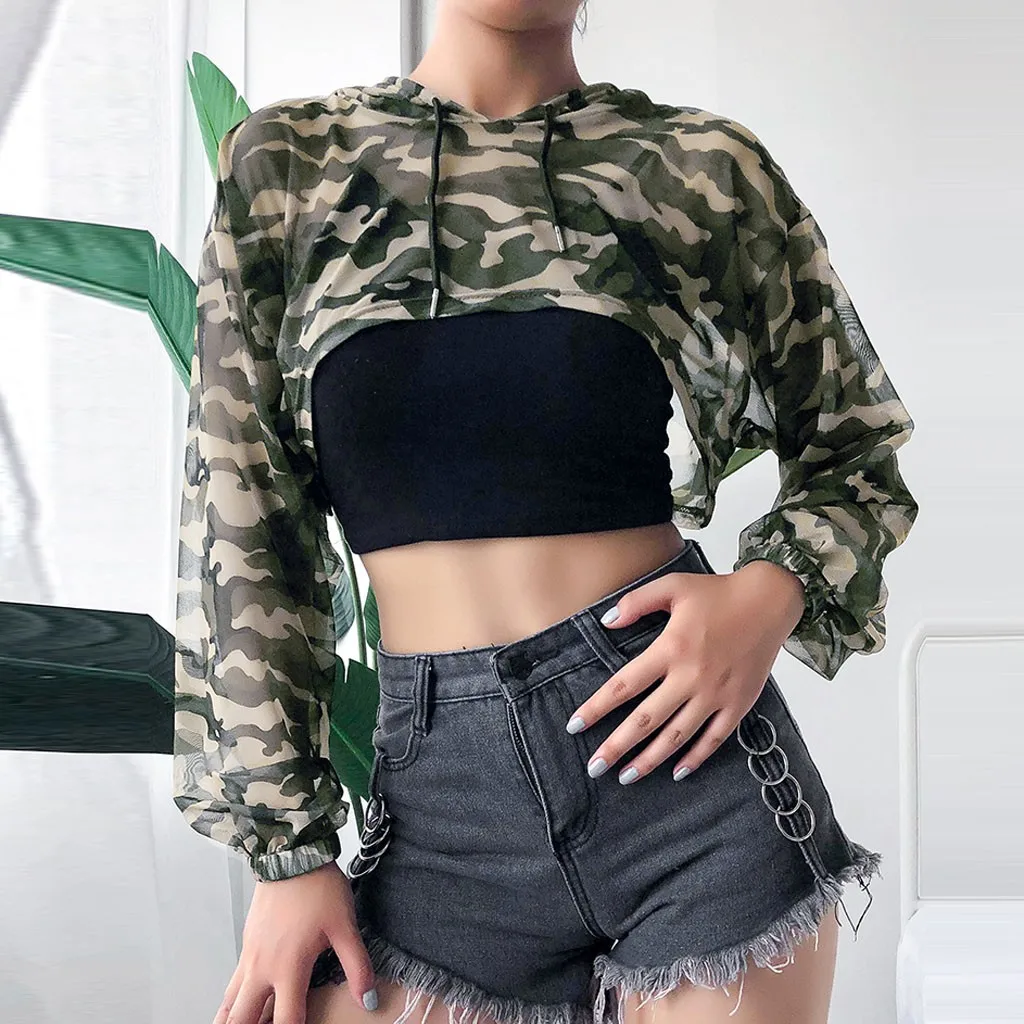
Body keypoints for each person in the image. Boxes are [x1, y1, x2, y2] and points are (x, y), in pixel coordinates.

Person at [172, 2, 919, 1023]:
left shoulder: (696, 167)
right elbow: (243, 516)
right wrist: (288, 855)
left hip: (693, 791)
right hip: (438, 813)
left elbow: (855, 446)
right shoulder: (291, 167)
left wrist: (766, 595)